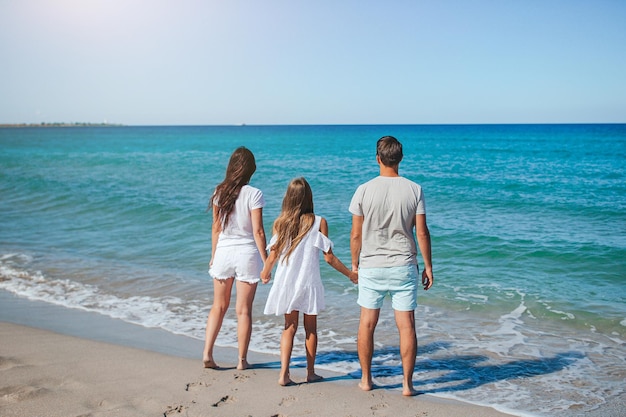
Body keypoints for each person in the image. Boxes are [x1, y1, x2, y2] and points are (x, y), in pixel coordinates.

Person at [349, 136, 434, 396]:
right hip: (403, 265)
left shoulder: (363, 189)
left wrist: (354, 264)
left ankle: (366, 379)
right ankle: (407, 385)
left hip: (371, 265)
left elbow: (355, 234)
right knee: (406, 325)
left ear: (378, 159)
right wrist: (428, 267)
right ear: (401, 158)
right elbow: (421, 233)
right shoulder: (414, 189)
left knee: (367, 324)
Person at [261, 177, 358, 386]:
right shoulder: (319, 222)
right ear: (309, 197)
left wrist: (265, 272)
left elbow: (273, 256)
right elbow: (329, 257)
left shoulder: (281, 223)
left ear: (288, 198)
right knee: (311, 329)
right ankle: (310, 372)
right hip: (308, 282)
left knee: (289, 327)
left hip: (287, 282)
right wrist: (350, 274)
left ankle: (284, 374)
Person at [203, 146, 267, 370]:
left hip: (223, 252)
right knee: (243, 310)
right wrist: (266, 260)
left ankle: (207, 354)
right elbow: (258, 232)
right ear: (251, 169)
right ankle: (241, 360)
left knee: (218, 306)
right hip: (247, 254)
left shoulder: (219, 192)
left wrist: (213, 256)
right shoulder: (254, 194)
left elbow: (216, 228)